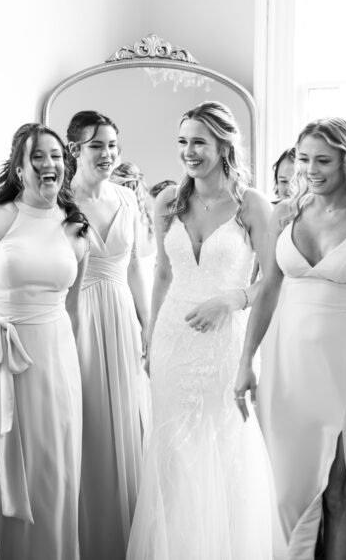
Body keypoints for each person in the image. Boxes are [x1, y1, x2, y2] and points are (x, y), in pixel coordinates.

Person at [235, 117, 346, 560]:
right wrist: (245, 362)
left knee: (340, 489)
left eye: (322, 161)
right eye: (304, 158)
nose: (310, 170)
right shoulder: (285, 212)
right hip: (288, 364)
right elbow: (268, 289)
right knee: (288, 490)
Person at [126, 101, 275, 560]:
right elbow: (163, 276)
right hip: (173, 340)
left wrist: (231, 300)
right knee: (171, 448)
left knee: (221, 444)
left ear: (224, 145)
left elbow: (272, 277)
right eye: (183, 142)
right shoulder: (168, 201)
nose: (189, 152)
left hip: (224, 343)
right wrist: (151, 338)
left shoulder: (251, 205)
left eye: (199, 142)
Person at [0, 123, 89, 560]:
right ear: (19, 166)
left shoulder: (75, 228)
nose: (48, 164)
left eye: (56, 155)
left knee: (51, 471)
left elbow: (73, 307)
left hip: (56, 361)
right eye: (37, 156)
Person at [66, 112, 150, 559]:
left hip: (119, 314)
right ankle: (85, 532)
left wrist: (147, 323)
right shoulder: (60, 201)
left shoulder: (127, 198)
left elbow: (135, 265)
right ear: (75, 149)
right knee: (88, 419)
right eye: (97, 145)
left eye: (113, 145)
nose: (108, 154)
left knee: (127, 419)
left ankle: (126, 535)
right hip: (77, 314)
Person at [112, 159, 158, 308]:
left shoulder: (125, 221)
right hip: (151, 297)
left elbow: (133, 267)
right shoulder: (151, 218)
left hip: (131, 301)